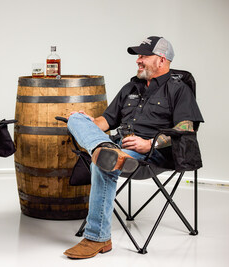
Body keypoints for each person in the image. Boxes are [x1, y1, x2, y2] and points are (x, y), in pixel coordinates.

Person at [63, 36, 204, 259]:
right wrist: (88, 122)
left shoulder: (178, 90)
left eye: (143, 56)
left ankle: (97, 238)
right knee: (75, 120)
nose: (138, 60)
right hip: (117, 145)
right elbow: (106, 121)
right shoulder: (131, 87)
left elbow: (186, 129)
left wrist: (149, 143)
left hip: (150, 155)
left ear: (161, 60)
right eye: (138, 56)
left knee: (103, 163)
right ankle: (105, 149)